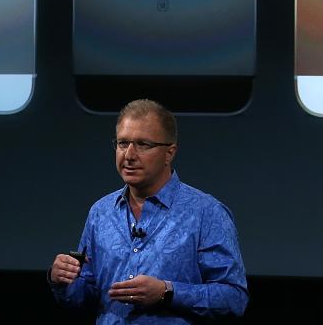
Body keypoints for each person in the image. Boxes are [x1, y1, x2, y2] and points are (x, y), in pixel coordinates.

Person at [48, 99, 248, 323]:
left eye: (143, 144)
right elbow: (85, 298)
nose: (129, 155)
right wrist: (64, 281)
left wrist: (167, 292)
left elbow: (234, 299)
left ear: (169, 153)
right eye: (123, 143)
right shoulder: (101, 212)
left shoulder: (206, 213)